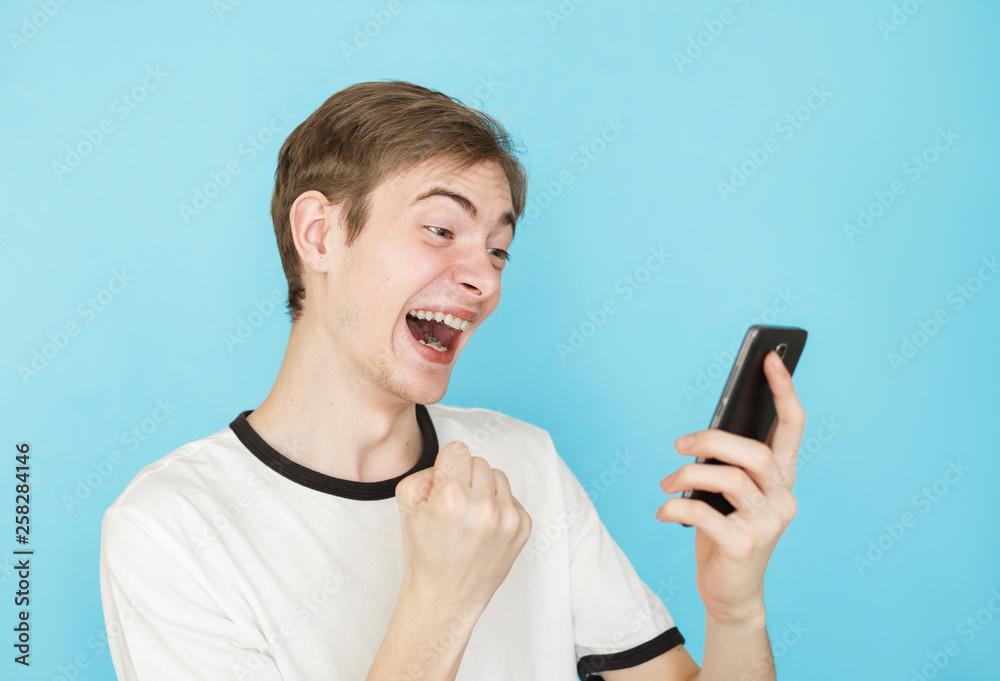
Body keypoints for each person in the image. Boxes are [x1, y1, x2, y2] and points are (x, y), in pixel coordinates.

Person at [100, 80, 806, 681]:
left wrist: (735, 609)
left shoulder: (524, 462)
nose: (485, 280)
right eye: (441, 230)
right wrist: (442, 602)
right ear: (319, 234)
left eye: (498, 249)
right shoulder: (170, 529)